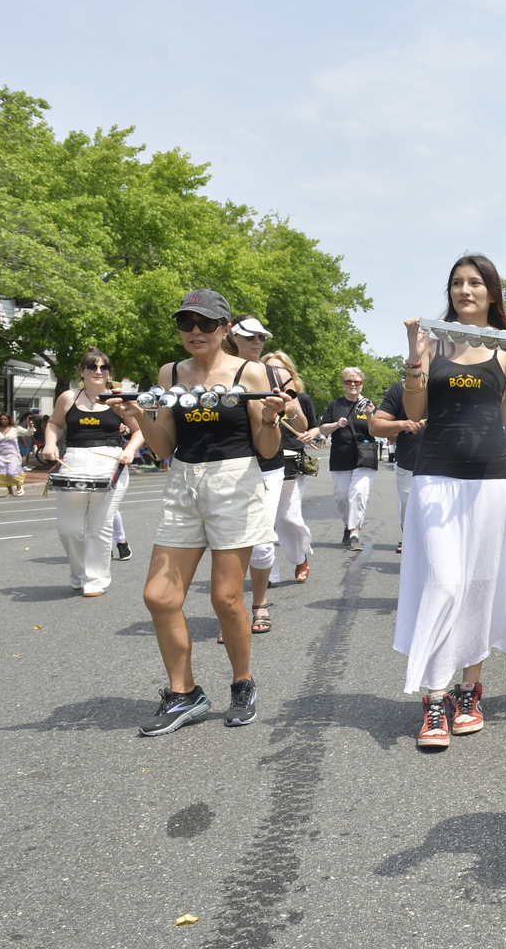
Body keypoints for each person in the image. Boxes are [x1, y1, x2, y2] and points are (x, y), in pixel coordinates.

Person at [106, 289, 287, 734]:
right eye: (186, 323)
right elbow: (164, 445)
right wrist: (135, 417)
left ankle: (242, 684)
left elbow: (267, 448)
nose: (195, 332)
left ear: (225, 329)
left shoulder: (251, 371)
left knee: (225, 598)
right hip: (184, 481)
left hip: (235, 481)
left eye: (206, 323)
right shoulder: (171, 372)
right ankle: (184, 692)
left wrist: (269, 418)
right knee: (159, 595)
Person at [395, 253, 506, 749]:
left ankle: (468, 691)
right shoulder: (433, 342)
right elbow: (415, 408)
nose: (465, 291)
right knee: (443, 583)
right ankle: (434, 697)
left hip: (491, 481)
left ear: (491, 294)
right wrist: (414, 355)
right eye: (458, 283)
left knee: (480, 587)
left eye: (475, 284)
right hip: (436, 479)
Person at [41, 347, 145, 596]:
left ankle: (95, 580)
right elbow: (55, 423)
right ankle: (78, 574)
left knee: (100, 526)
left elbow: (140, 430)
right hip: (74, 461)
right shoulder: (68, 397)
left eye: (103, 367)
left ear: (109, 373)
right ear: (82, 372)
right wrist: (50, 443)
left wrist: (129, 450)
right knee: (69, 529)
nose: (98, 371)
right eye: (92, 367)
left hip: (109, 462)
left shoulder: (117, 399)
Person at [226, 315, 300, 633]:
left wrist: (286, 408)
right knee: (230, 543)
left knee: (261, 541)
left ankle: (259, 603)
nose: (257, 343)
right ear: (231, 338)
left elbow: (297, 415)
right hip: (228, 466)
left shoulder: (275, 373)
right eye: (249, 337)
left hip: (268, 466)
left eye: (261, 338)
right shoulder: (218, 373)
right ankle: (232, 612)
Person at [261, 351, 318, 583]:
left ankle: (299, 557)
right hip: (262, 460)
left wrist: (309, 434)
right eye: (268, 371)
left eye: (279, 372)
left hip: (290, 460)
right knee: (265, 521)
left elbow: (313, 427)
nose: (273, 376)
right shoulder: (255, 397)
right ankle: (268, 572)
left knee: (287, 517)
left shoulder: (300, 399)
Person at [320, 367, 378, 551]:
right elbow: (322, 429)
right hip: (341, 455)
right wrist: (336, 425)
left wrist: (370, 415)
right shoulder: (335, 404)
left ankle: (354, 534)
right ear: (343, 383)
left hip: (365, 456)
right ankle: (348, 525)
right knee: (342, 496)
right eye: (349, 382)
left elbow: (375, 430)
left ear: (362, 384)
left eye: (357, 382)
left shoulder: (369, 404)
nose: (353, 385)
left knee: (359, 493)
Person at [371, 377, 426, 554]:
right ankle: (413, 551)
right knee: (410, 518)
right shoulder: (400, 388)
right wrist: (403, 424)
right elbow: (375, 427)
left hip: (447, 467)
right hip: (409, 467)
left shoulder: (453, 384)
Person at [0, 414, 31, 495]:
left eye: (5, 419)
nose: (3, 421)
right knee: (4, 473)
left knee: (12, 472)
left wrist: (31, 426)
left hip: (12, 454)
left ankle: (19, 486)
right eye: (1, 419)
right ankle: (10, 491)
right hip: (0, 455)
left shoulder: (15, 429)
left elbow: (28, 433)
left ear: (8, 420)